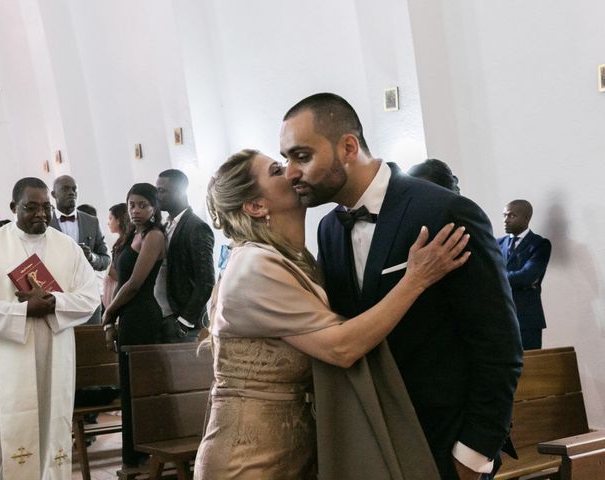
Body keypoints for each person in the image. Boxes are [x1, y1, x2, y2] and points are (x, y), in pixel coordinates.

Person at [280, 93, 523, 480]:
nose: (291, 172)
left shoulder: (443, 211)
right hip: (372, 441)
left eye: (302, 156)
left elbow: (498, 343)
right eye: (285, 159)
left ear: (348, 147)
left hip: (442, 442)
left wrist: (474, 453)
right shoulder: (328, 229)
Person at [194, 149, 470, 480]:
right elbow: (341, 348)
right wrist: (416, 280)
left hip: (296, 451)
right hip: (247, 458)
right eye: (278, 169)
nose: (294, 172)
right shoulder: (253, 266)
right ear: (255, 206)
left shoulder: (297, 259)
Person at [0, 177, 100, 479]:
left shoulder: (67, 248)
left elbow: (90, 297)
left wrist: (53, 303)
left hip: (54, 362)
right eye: (31, 208)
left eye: (45, 208)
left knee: (52, 438)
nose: (41, 214)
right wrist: (24, 311)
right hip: (2, 366)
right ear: (14, 207)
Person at [102, 183, 165, 468]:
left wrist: (108, 314)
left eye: (143, 205)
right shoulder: (131, 235)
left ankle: (141, 456)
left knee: (140, 389)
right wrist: (111, 319)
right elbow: (116, 280)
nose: (136, 210)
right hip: (127, 316)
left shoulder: (154, 236)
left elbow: (134, 284)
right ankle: (132, 458)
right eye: (131, 205)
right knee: (127, 388)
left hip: (143, 316)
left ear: (154, 208)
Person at [155, 169, 215, 342]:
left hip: (181, 321)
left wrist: (184, 321)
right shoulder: (164, 225)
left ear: (180, 192)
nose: (157, 196)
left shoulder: (196, 227)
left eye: (162, 191)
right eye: (157, 190)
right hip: (162, 316)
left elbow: (206, 281)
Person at [50, 175, 110, 324]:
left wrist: (91, 258)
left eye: (74, 189)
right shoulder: (45, 223)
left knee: (91, 343)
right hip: (57, 298)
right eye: (65, 189)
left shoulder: (91, 221)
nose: (71, 193)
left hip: (88, 298)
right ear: (53, 194)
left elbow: (106, 259)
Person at [498, 200, 552, 350]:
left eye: (511, 215)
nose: (505, 220)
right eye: (504, 215)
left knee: (531, 367)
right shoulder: (496, 244)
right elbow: (485, 273)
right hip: (499, 318)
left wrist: (496, 278)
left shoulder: (540, 244)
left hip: (527, 319)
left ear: (526, 218)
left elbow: (527, 276)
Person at [103, 203, 129, 307]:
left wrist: (104, 263)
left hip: (117, 291)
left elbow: (120, 276)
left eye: (110, 218)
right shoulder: (119, 242)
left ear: (118, 220)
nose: (108, 223)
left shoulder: (126, 243)